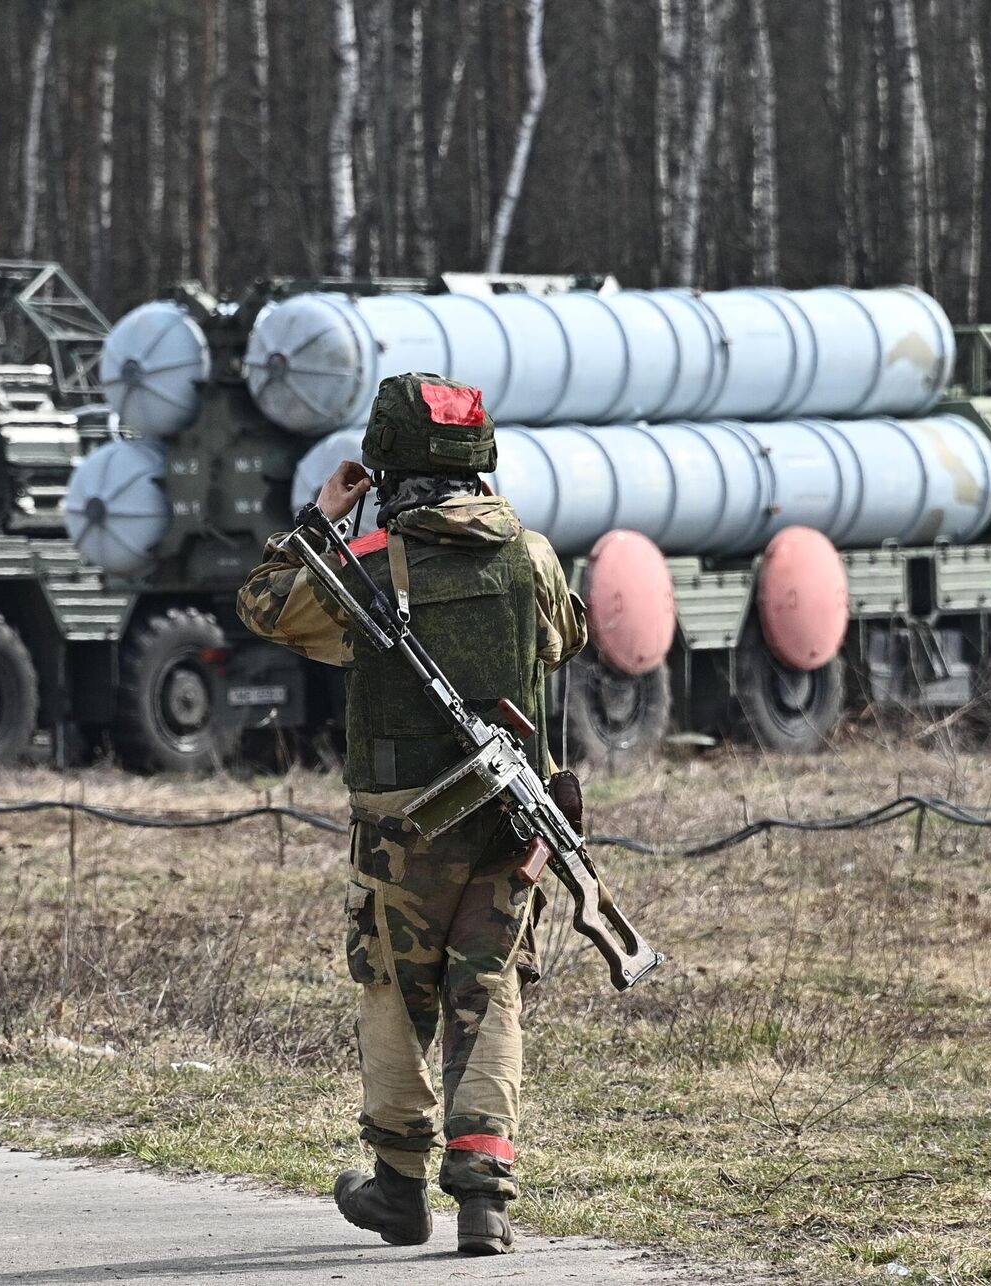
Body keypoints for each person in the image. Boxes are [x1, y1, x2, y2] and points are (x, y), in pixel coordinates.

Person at [236, 372, 588, 1255]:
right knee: (491, 990)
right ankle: (485, 1198)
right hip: (511, 826)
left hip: (404, 833)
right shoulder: (532, 556)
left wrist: (321, 521)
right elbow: (566, 636)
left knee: (393, 993)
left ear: (387, 464)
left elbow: (263, 605)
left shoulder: (363, 570)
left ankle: (398, 1187)